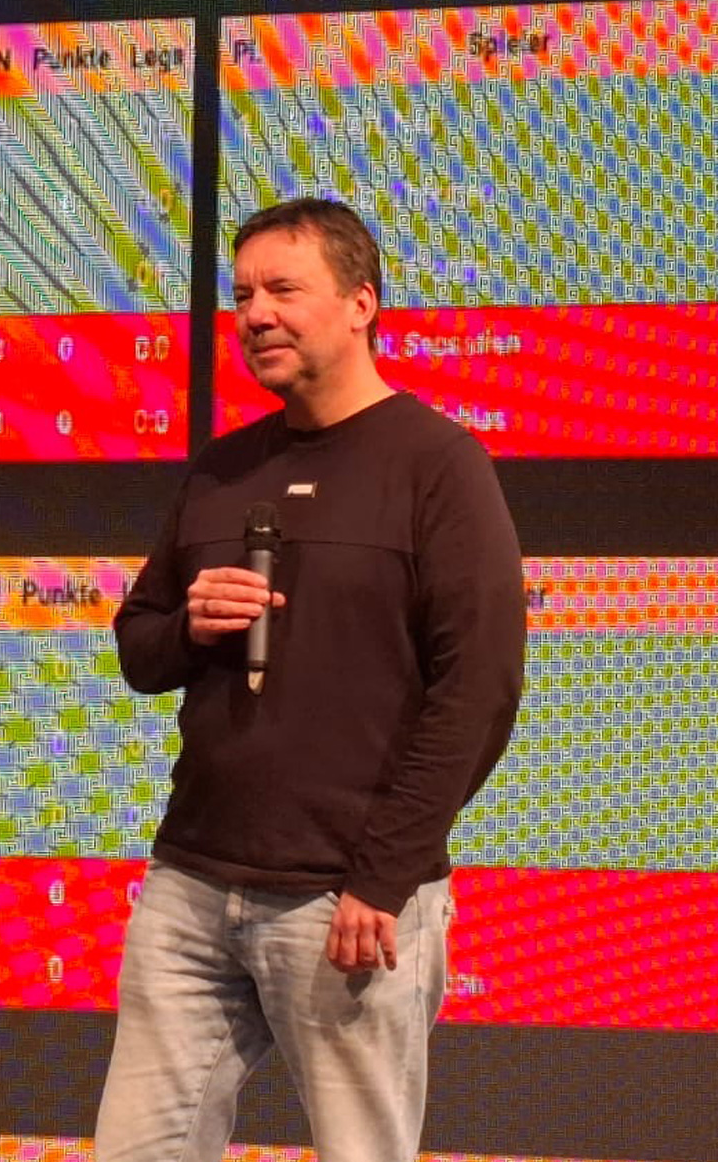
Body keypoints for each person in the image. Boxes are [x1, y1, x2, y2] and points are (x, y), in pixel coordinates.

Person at [97, 198, 525, 1162]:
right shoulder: (222, 468)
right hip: (191, 885)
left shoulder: (439, 465)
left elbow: (479, 690)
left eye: (283, 289)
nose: (256, 314)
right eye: (243, 294)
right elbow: (138, 647)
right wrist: (190, 627)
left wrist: (384, 876)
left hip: (346, 900)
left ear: (361, 303)